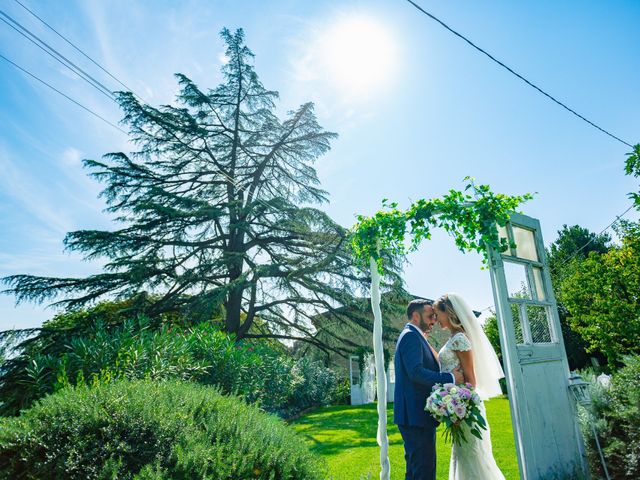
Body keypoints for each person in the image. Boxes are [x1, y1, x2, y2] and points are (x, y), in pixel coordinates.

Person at [434, 293, 506, 480]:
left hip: (463, 408)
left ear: (448, 312)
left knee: (473, 457)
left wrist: (457, 408)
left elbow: (471, 381)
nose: (436, 318)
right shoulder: (453, 337)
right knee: (464, 456)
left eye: (437, 314)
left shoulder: (460, 339)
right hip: (457, 405)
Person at [394, 299, 464, 480]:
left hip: (415, 417)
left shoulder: (415, 335)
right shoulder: (410, 336)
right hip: (415, 417)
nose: (433, 320)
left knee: (416, 470)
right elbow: (416, 373)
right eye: (429, 316)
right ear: (416, 316)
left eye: (434, 316)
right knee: (423, 471)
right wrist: (451, 378)